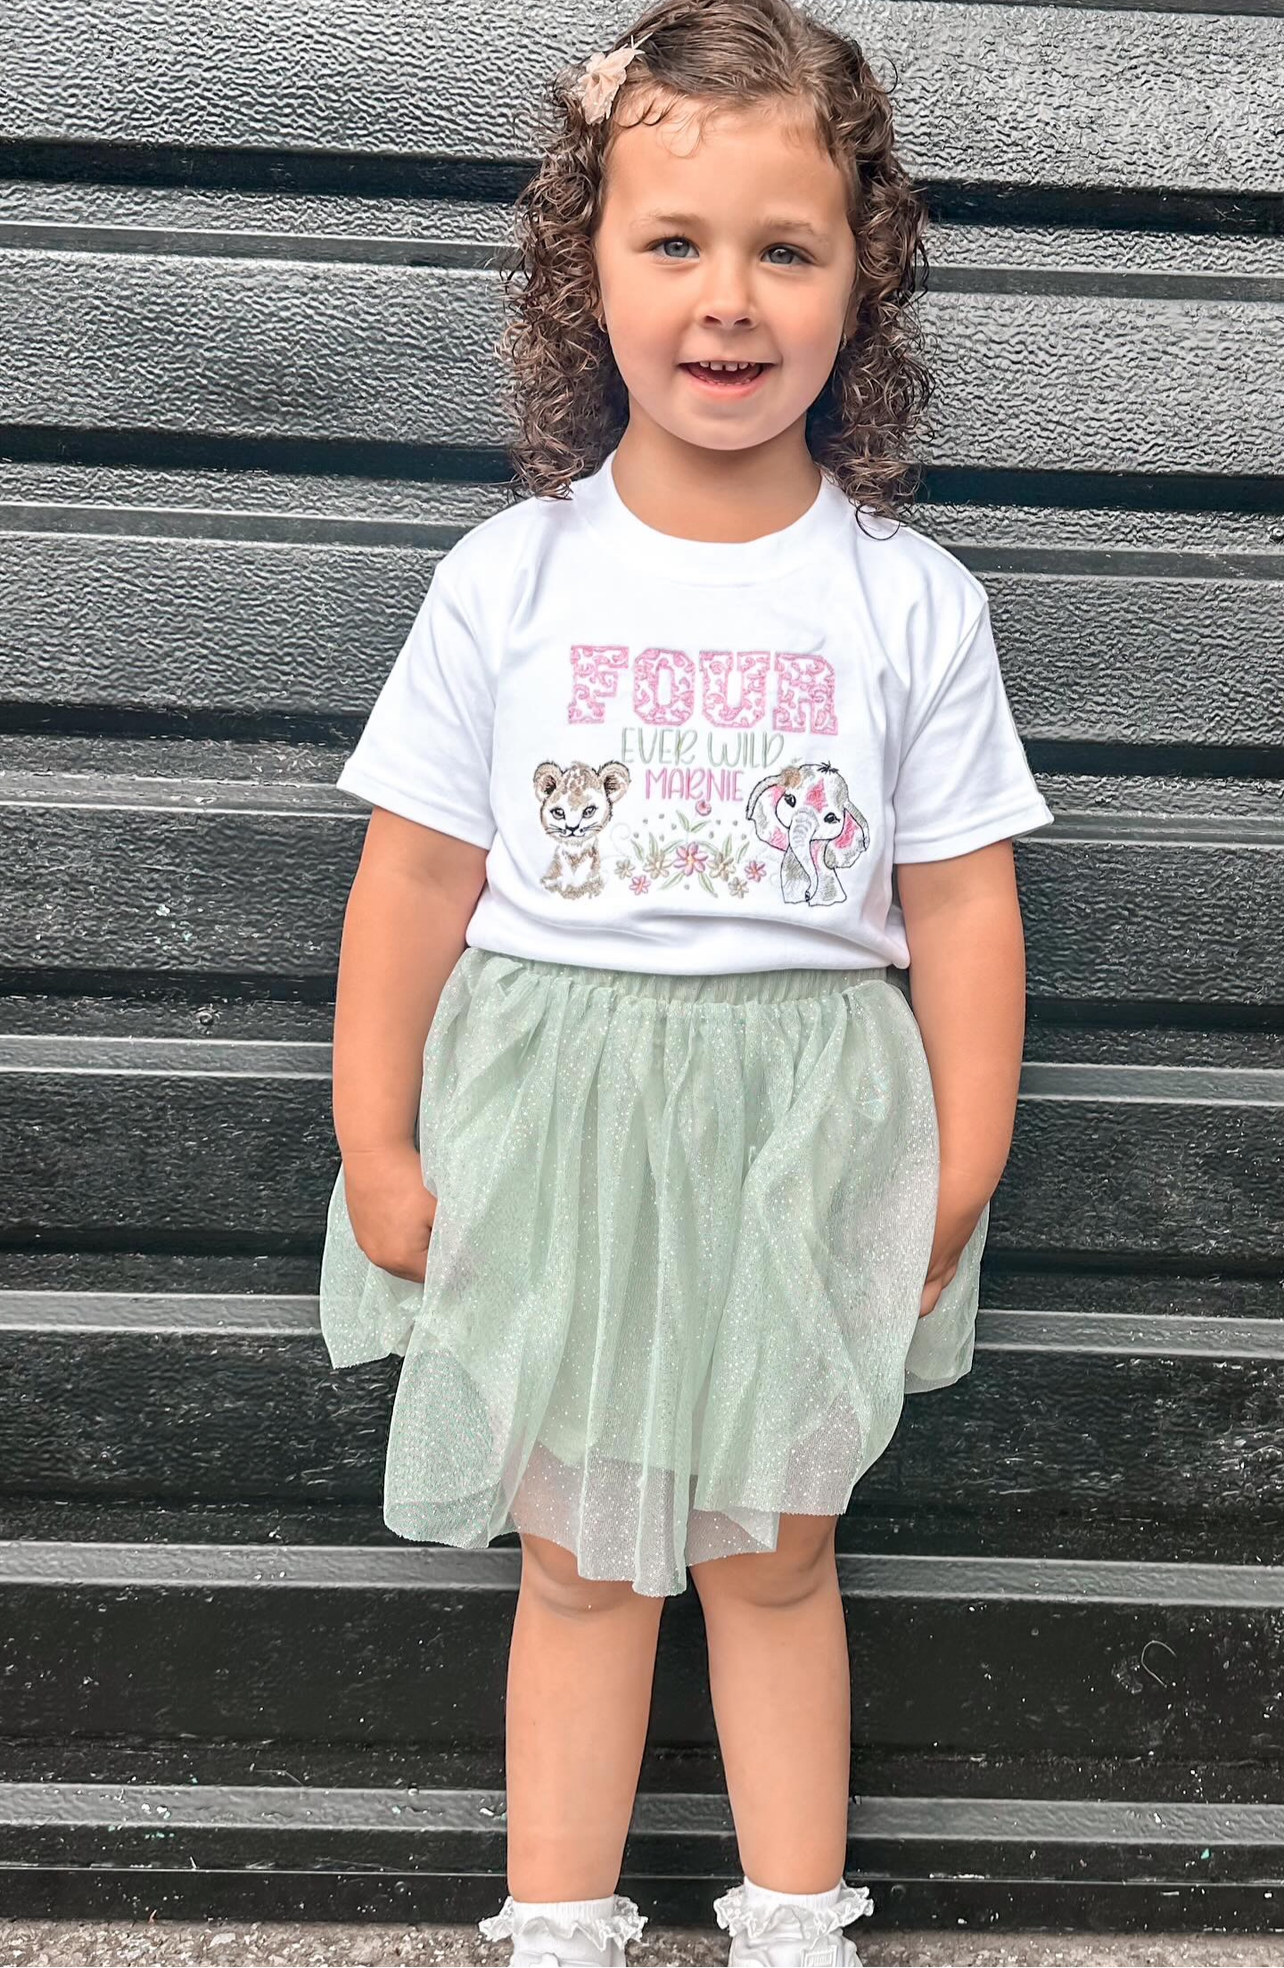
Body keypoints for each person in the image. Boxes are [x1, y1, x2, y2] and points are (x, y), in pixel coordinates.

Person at [317, 1, 1054, 1964]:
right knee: (577, 1559)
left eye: (784, 248)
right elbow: (416, 873)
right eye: (674, 242)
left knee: (779, 1546)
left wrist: (962, 1166)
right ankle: (560, 1918)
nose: (727, 299)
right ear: (592, 272)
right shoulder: (513, 576)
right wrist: (375, 1138)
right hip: (558, 1123)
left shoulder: (907, 598)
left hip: (805, 1131)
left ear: (858, 282)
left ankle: (796, 1916)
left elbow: (962, 904)